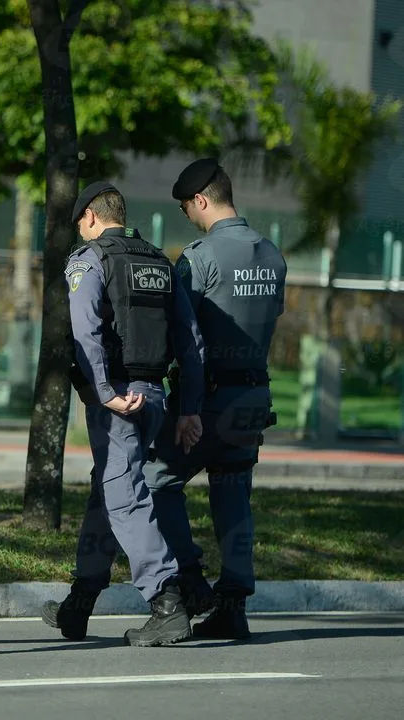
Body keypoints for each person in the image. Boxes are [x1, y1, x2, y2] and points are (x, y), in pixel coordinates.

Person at [41, 181, 206, 647]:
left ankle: (167, 603)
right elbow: (191, 343)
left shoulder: (89, 260)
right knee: (107, 494)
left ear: (91, 217)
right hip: (154, 397)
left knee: (126, 497)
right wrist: (188, 408)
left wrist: (103, 391)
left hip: (118, 403)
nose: (81, 232)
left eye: (80, 224)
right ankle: (80, 604)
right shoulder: (159, 260)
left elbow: (85, 334)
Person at [142, 158, 288, 640]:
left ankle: (189, 576)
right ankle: (233, 606)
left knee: (156, 480)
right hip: (253, 394)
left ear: (201, 200)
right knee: (233, 493)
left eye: (187, 208)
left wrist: (184, 403)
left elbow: (181, 333)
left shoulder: (200, 258)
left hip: (207, 399)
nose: (188, 216)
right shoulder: (272, 255)